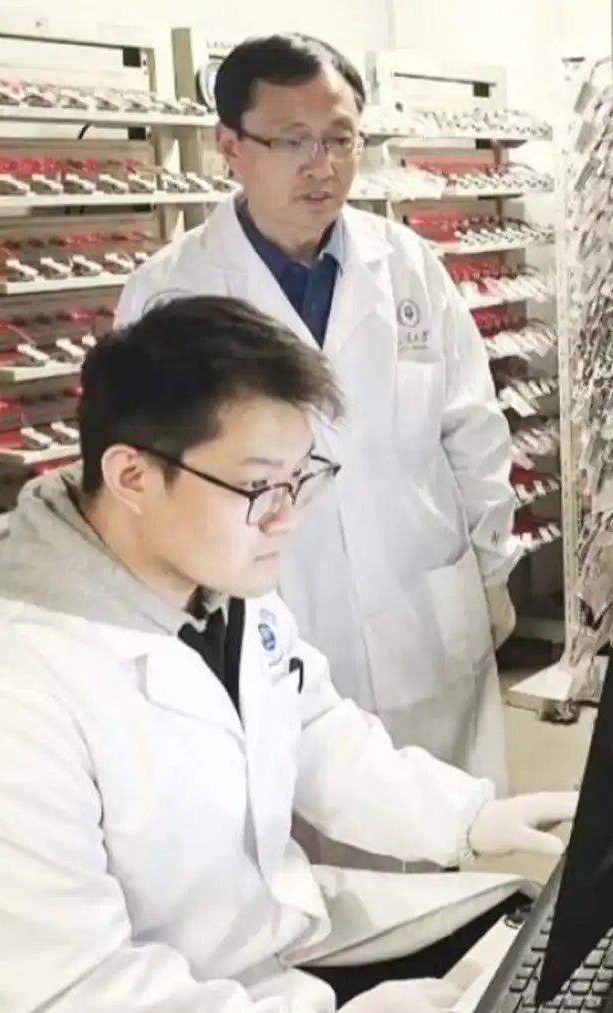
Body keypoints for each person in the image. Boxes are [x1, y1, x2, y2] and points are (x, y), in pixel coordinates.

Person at [0, 296, 578, 1013]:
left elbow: (315, 734)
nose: (287, 518)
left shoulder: (211, 579)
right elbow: (77, 994)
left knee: (542, 937)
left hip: (254, 954)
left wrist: (467, 819)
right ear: (132, 476)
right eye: (259, 486)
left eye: (301, 479)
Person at [114, 35, 519, 791]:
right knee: (306, 836)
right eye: (292, 140)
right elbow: (147, 496)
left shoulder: (407, 265)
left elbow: (472, 429)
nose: (321, 165)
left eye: (340, 139)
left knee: (451, 830)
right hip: (275, 624)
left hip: (424, 613)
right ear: (230, 146)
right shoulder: (171, 294)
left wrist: (492, 568)